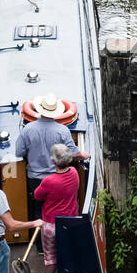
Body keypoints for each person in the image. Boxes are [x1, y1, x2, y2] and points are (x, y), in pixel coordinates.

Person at [14, 93, 89, 225]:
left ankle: (40, 241)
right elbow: (73, 153)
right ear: (56, 112)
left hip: (34, 179)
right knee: (60, 206)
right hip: (57, 179)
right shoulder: (63, 130)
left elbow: (19, 152)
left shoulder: (27, 130)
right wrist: (83, 155)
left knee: (38, 208)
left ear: (39, 110)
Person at [32, 144, 81, 273]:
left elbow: (37, 195)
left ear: (53, 162)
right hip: (69, 221)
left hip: (51, 224)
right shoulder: (74, 172)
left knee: (50, 256)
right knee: (64, 250)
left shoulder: (49, 181)